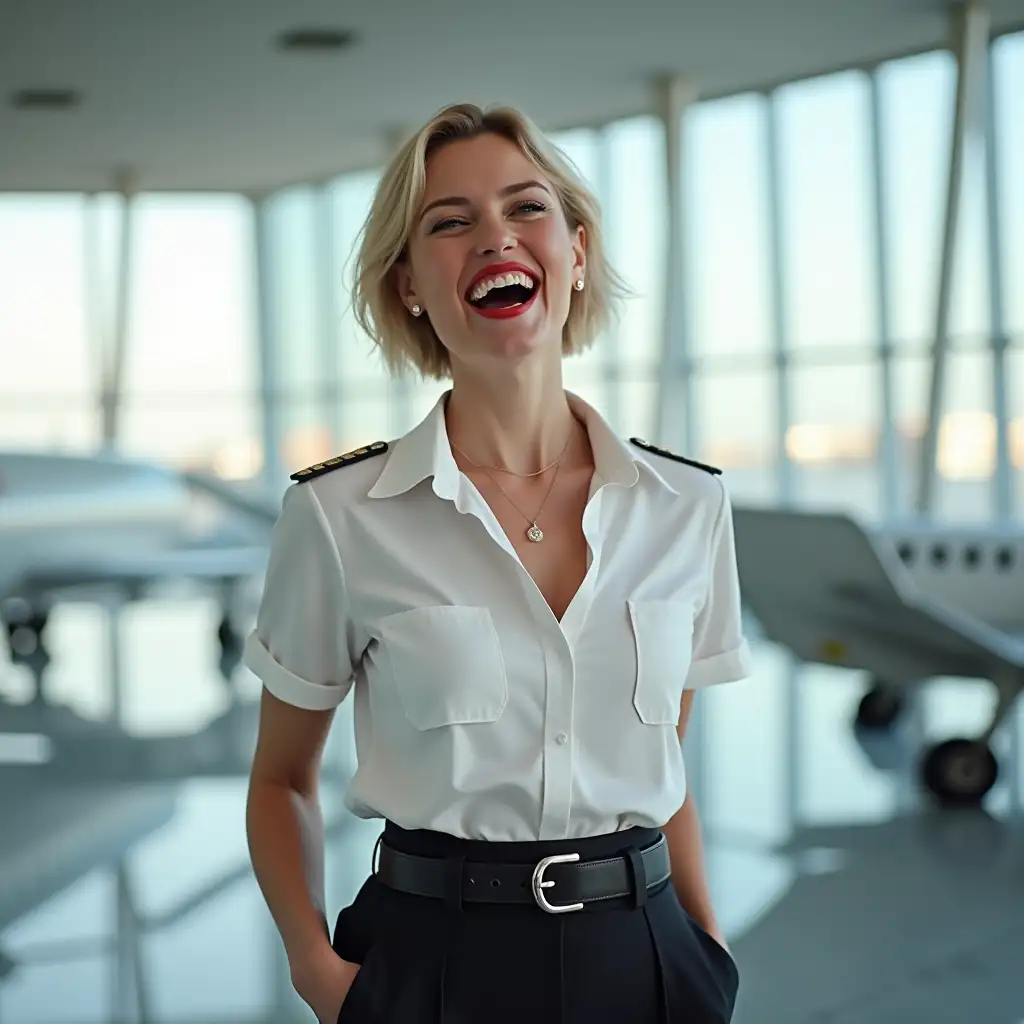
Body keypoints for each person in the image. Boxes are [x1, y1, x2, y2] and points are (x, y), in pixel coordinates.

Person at [243, 102, 753, 1024]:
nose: (495, 238)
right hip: (430, 963)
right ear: (407, 284)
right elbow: (281, 779)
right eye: (451, 221)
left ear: (577, 251)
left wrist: (705, 946)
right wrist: (318, 973)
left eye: (527, 209)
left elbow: (664, 758)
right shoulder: (337, 516)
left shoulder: (688, 508)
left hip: (648, 961)